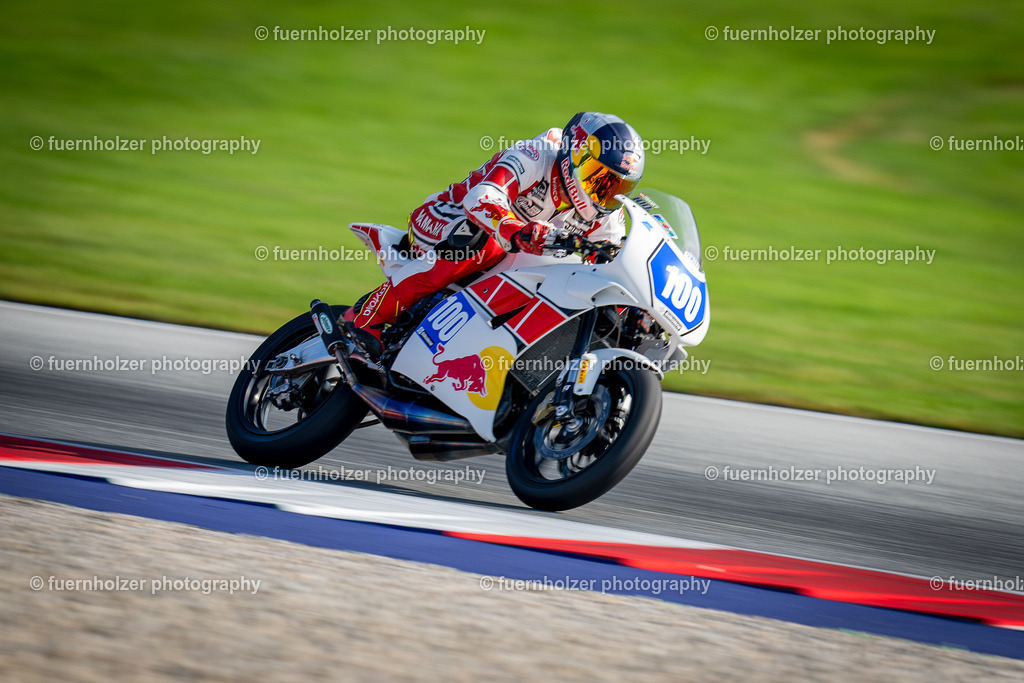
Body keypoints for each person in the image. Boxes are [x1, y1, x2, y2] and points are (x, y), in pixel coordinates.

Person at [343, 111, 645, 359]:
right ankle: (369, 317)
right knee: (483, 244)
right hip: (445, 219)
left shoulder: (608, 214)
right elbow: (482, 197)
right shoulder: (537, 154)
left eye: (615, 186)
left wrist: (634, 308)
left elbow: (613, 257)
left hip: (512, 257)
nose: (603, 192)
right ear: (574, 155)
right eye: (598, 177)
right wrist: (516, 229)